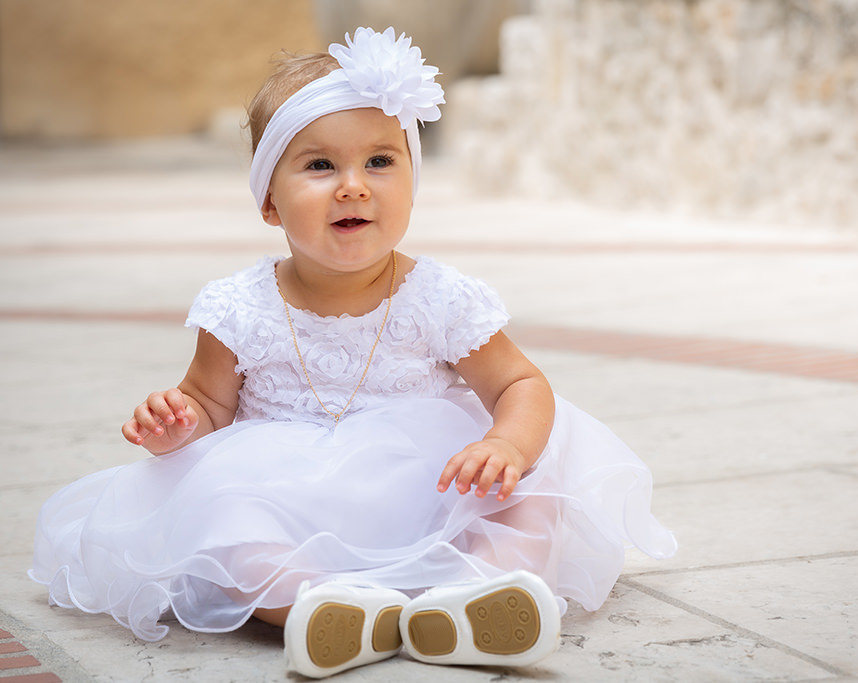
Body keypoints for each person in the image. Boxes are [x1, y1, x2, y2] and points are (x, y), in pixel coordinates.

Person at [29, 27, 676, 678]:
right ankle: (323, 603)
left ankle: (480, 592)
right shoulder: (239, 307)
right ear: (268, 202)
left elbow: (520, 385)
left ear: (412, 181)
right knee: (221, 518)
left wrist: (506, 444)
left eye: (379, 162)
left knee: (532, 485)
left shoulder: (441, 297)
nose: (353, 186)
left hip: (431, 487)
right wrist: (177, 422)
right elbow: (206, 402)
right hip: (287, 495)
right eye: (319, 165)